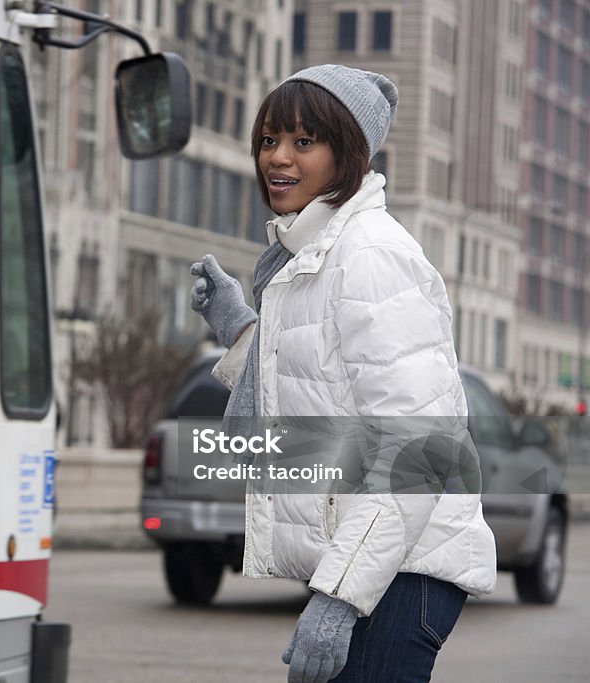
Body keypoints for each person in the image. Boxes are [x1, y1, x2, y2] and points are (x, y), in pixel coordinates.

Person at [189, 65, 497, 682]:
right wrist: (243, 330)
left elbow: (421, 448)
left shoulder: (371, 256)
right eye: (270, 138)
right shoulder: (309, 258)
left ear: (347, 154)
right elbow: (321, 395)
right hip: (372, 563)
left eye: (305, 142)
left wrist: (337, 601)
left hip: (402, 572)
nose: (278, 157)